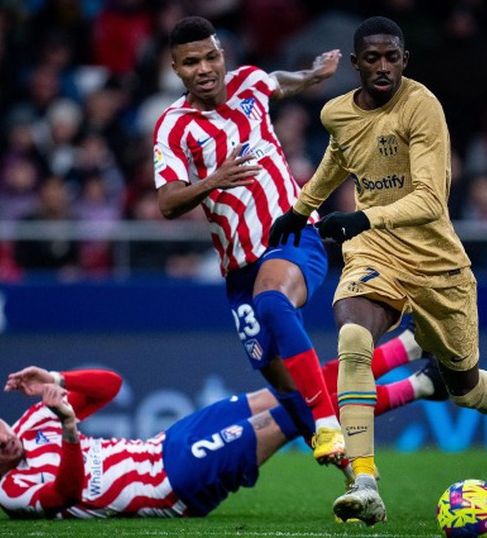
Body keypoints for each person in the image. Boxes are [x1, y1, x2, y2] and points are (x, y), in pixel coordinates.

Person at [268, 16, 487, 525]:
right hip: (375, 252)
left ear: (404, 61)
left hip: (438, 265)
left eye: (392, 57)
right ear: (355, 63)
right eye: (372, 58)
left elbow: (431, 200)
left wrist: (358, 215)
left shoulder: (422, 106)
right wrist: (302, 209)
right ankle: (365, 482)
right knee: (352, 337)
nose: (383, 67)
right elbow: (341, 157)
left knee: (464, 386)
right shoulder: (336, 112)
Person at [151, 15, 346, 468]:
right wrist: (211, 182)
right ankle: (360, 469)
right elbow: (166, 203)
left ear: (224, 56)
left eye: (211, 56)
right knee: (289, 388)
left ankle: (330, 423)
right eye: (191, 62)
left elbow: (277, 80)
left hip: (294, 235)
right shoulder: (173, 127)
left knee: (273, 303)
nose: (204, 68)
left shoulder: (250, 84)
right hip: (239, 269)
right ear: (177, 70)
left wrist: (311, 76)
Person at [0, 352, 447, 520]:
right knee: (296, 413)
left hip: (167, 443)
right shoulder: (11, 493)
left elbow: (110, 386)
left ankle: (407, 346)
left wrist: (57, 380)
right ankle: (422, 383)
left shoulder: (33, 422)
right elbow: (68, 493)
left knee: (290, 387)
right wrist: (72, 429)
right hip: (175, 485)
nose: (2, 437)